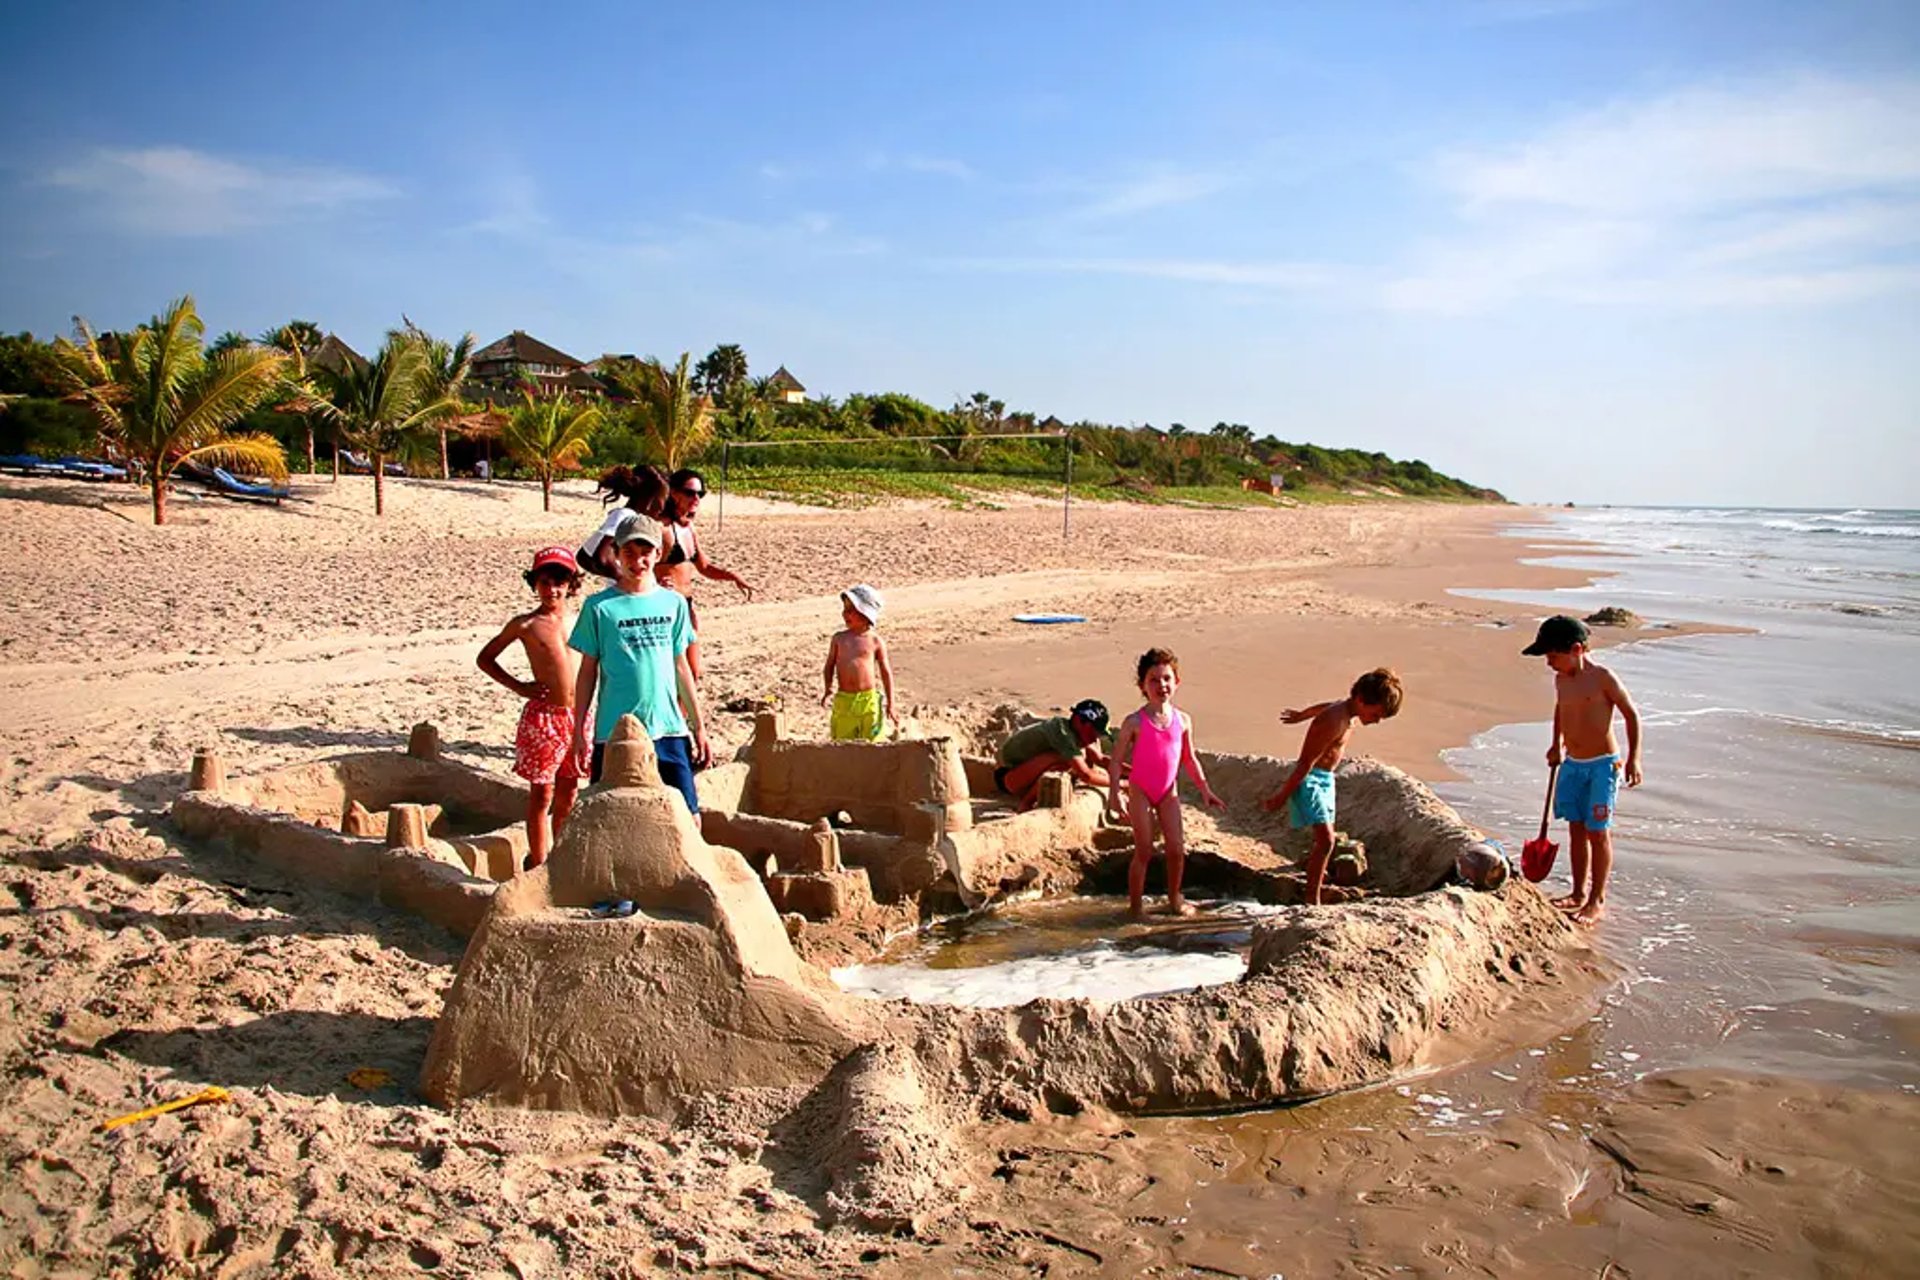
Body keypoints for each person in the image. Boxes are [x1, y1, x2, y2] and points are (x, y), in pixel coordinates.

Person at [567, 519, 711, 818]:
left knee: (688, 817)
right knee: (606, 816)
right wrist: (579, 730)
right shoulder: (598, 607)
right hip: (613, 731)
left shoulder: (674, 603)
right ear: (617, 553)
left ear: (658, 553)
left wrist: (699, 726)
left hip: (669, 728)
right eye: (629, 552)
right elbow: (587, 673)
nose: (638, 560)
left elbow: (681, 666)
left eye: (645, 551)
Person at [1523, 615, 1642, 924]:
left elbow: (1631, 715)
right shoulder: (1561, 679)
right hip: (1573, 764)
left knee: (1597, 832)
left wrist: (1634, 758)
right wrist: (1555, 744)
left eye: (1553, 656)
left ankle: (1596, 899)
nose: (1549, 663)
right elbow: (1561, 709)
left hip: (1602, 766)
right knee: (1575, 827)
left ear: (1576, 649)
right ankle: (1577, 893)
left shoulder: (1603, 678)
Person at [476, 547, 584, 870]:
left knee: (570, 789)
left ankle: (561, 858)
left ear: (571, 585)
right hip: (545, 717)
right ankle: (538, 862)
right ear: (535, 584)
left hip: (578, 716)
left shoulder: (581, 621)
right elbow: (485, 658)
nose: (553, 589)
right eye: (546, 582)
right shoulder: (525, 625)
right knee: (542, 793)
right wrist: (520, 687)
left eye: (560, 582)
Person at [1261, 669, 1404, 906]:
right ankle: (1312, 899)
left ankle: (1315, 883)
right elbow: (1305, 762)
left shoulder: (1345, 711)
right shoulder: (1333, 721)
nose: (1377, 720)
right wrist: (1282, 796)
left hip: (1327, 779)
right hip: (1312, 779)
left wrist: (1301, 715)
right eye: (1377, 714)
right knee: (1326, 841)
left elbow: (1325, 706)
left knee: (1325, 843)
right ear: (1361, 700)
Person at [1107, 648, 1226, 919]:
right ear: (1142, 686)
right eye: (1154, 680)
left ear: (1177, 682)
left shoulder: (1183, 720)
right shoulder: (1134, 722)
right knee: (1144, 850)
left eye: (1167, 679)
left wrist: (1205, 790)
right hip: (1141, 791)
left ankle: (1175, 898)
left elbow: (1189, 758)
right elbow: (1115, 761)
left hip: (1168, 792)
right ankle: (1135, 908)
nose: (1161, 685)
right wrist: (1115, 793)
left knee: (1176, 849)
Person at [657, 468, 755, 681]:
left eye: (700, 494)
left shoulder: (688, 527)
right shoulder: (661, 528)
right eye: (690, 492)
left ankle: (682, 716)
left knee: (692, 673)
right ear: (674, 493)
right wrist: (656, 586)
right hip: (664, 607)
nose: (696, 498)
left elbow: (704, 566)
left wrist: (733, 577)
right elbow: (637, 565)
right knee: (672, 674)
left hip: (686, 605)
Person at [994, 699, 1114, 812]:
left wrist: (1131, 774)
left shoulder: (1079, 735)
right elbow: (1086, 775)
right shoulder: (1062, 733)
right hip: (1010, 778)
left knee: (1081, 756)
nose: (1095, 738)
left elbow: (1101, 759)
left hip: (1027, 775)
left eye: (1099, 734)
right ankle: (1026, 804)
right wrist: (1120, 784)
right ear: (1079, 721)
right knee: (1064, 761)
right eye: (1093, 732)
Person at [822, 584, 897, 740]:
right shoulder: (839, 639)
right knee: (842, 743)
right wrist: (828, 689)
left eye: (851, 610)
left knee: (872, 744)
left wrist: (891, 703)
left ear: (865, 615)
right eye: (844, 609)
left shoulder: (875, 641)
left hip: (868, 701)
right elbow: (829, 666)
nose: (845, 614)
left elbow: (886, 673)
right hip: (845, 700)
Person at [577, 465, 670, 580]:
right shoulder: (625, 516)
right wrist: (626, 581)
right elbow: (602, 558)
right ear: (650, 500)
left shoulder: (632, 519)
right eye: (663, 499)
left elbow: (583, 557)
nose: (663, 507)